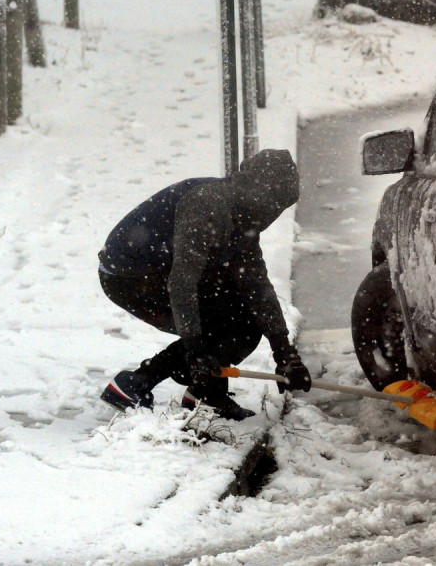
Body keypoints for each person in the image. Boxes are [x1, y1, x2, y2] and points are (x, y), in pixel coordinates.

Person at [98, 149, 311, 421]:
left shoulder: (244, 216)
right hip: (130, 276)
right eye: (273, 202)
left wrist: (285, 351)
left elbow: (255, 285)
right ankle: (135, 383)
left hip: (163, 270)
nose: (275, 211)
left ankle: (206, 394)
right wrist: (196, 349)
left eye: (282, 205)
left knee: (242, 321)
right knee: (224, 324)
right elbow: (183, 283)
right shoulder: (208, 205)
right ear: (255, 190)